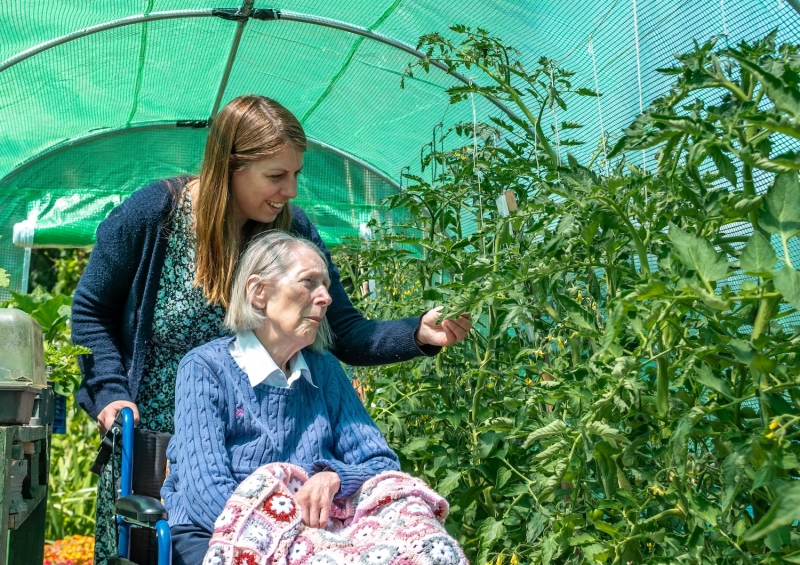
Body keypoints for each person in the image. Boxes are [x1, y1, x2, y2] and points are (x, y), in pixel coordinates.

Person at [71, 95, 471, 564]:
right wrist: (110, 393)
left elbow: (340, 329)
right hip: (158, 442)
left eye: (296, 174)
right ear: (231, 167)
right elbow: (90, 311)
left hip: (269, 450)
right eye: (276, 176)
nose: (291, 190)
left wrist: (417, 334)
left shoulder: (290, 229)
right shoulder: (153, 214)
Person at [162, 231, 466, 565]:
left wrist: (334, 477)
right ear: (258, 292)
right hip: (217, 532)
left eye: (325, 285)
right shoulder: (206, 368)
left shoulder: (324, 370)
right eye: (309, 282)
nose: (325, 298)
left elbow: (380, 464)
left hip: (322, 537)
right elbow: (205, 492)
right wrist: (291, 537)